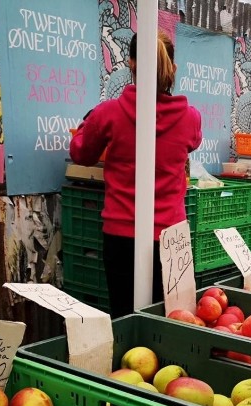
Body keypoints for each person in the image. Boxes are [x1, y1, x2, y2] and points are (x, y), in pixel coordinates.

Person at [70, 32, 202, 318]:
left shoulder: (108, 114)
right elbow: (194, 141)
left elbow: (81, 153)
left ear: (130, 64)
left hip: (121, 237)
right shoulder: (190, 117)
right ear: (172, 68)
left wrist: (86, 123)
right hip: (171, 238)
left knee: (125, 318)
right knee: (171, 320)